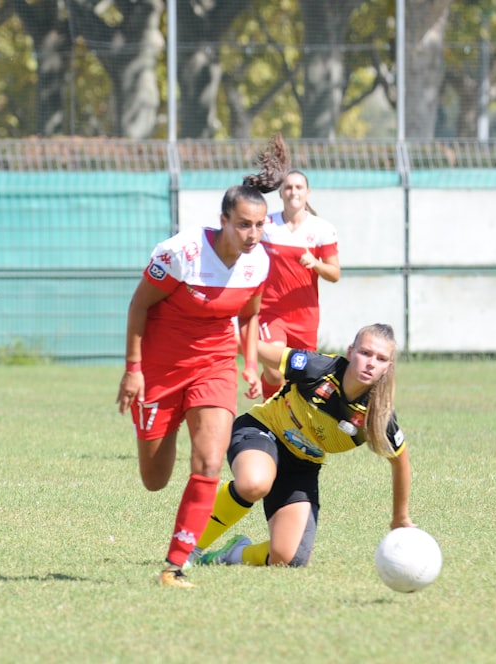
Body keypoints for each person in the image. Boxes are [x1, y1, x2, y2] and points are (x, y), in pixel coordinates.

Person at [116, 136, 290, 588]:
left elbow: (250, 317)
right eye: (243, 225)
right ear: (223, 221)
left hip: (214, 366)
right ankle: (161, 421)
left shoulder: (259, 263)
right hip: (160, 368)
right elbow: (138, 306)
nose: (252, 235)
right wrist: (134, 369)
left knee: (210, 463)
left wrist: (249, 364)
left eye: (258, 226)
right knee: (155, 478)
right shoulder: (182, 252)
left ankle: (175, 565)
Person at [188, 323, 413, 569]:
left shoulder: (378, 414)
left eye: (380, 359)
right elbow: (256, 348)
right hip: (263, 431)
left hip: (302, 465)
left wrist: (399, 517)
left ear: (387, 368)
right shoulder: (317, 368)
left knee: (289, 558)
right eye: (365, 353)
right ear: (350, 352)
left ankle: (233, 554)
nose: (371, 362)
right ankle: (189, 549)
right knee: (254, 483)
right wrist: (206, 332)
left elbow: (400, 463)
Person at [257, 170, 341, 400]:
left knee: (301, 377)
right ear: (281, 193)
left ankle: (290, 425)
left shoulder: (322, 229)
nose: (293, 192)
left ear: (308, 192)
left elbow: (334, 273)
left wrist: (315, 264)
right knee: (274, 371)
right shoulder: (266, 225)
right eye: (288, 187)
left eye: (298, 187)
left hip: (305, 316)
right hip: (271, 312)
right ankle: (267, 417)